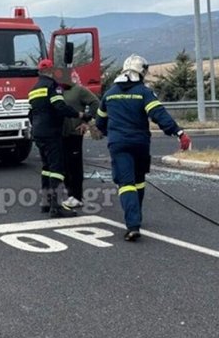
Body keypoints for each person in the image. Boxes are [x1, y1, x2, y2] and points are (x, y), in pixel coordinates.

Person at [95, 54, 191, 242]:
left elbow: (100, 122)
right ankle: (135, 216)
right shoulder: (144, 92)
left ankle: (133, 224)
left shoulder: (110, 93)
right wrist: (178, 132)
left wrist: (111, 133)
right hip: (139, 143)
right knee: (138, 180)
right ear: (141, 72)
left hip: (118, 144)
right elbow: (158, 114)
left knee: (126, 183)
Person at [28, 59, 92, 218]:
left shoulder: (33, 89)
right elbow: (60, 107)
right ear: (51, 71)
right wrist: (80, 115)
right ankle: (56, 207)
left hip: (38, 132)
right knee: (57, 169)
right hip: (51, 133)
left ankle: (46, 202)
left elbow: (30, 114)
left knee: (46, 168)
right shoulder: (52, 86)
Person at [60, 70, 100, 209]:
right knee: (64, 165)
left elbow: (96, 102)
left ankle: (77, 196)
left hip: (75, 132)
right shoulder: (60, 92)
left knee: (75, 165)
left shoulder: (79, 90)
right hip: (61, 133)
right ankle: (70, 194)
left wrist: (86, 121)